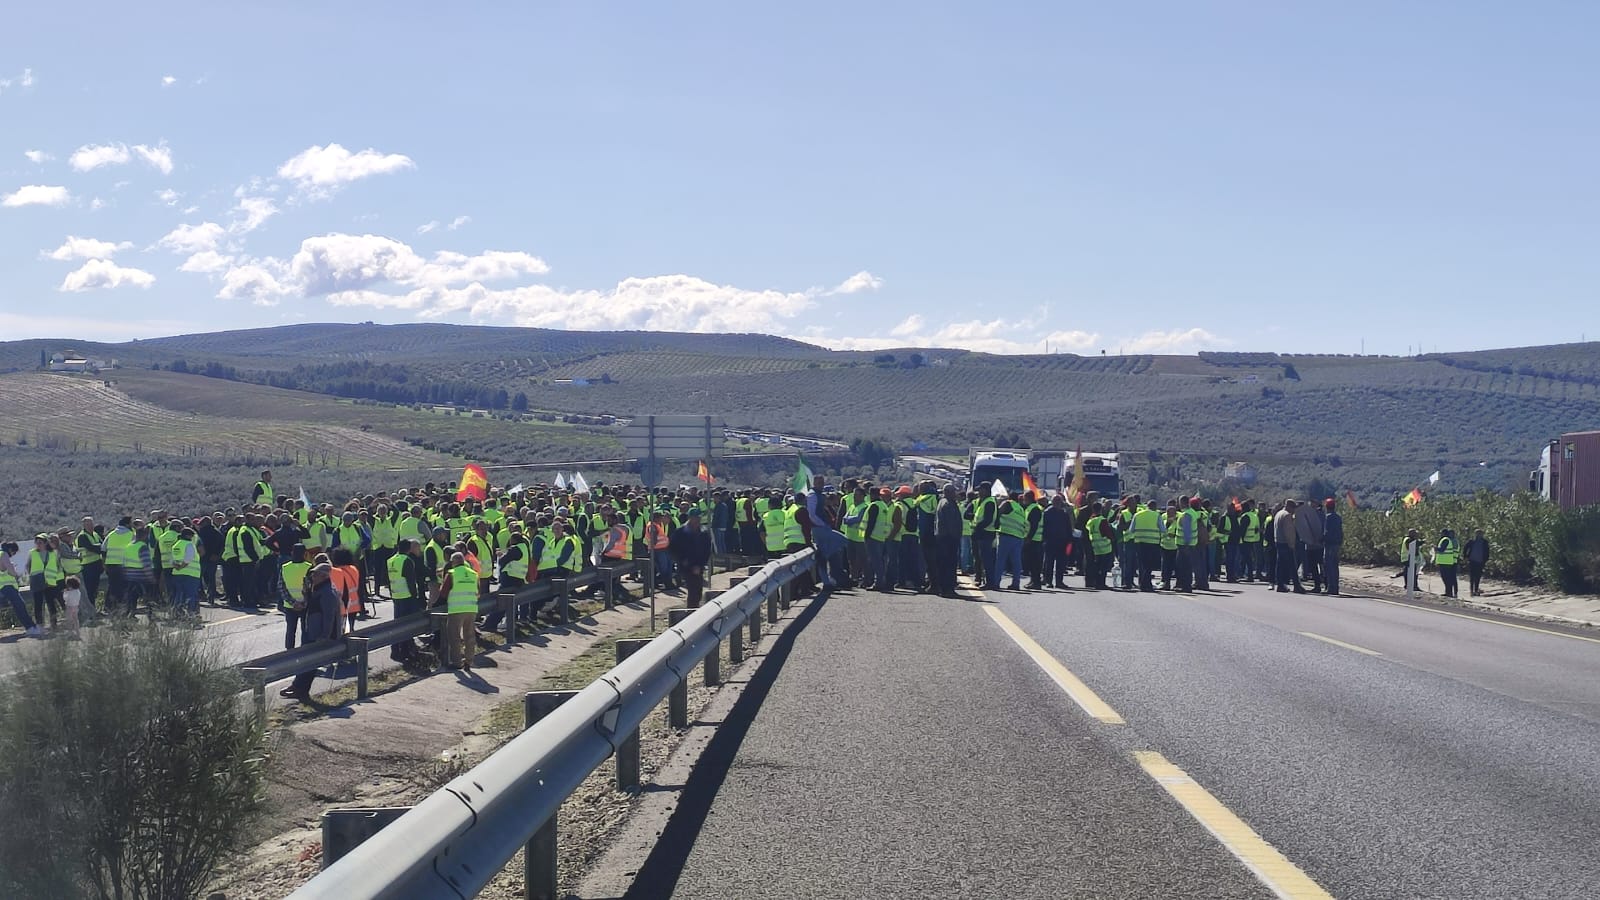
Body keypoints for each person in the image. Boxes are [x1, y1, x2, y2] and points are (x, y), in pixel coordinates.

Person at [282, 562, 340, 703]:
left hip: (318, 634)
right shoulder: (318, 588)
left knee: (310, 663)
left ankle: (300, 689)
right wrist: (304, 596)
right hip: (311, 631)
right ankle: (298, 688)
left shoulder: (328, 592)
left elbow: (329, 616)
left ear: (324, 576)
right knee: (307, 662)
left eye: (316, 574)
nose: (312, 576)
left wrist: (324, 636)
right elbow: (311, 607)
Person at [442, 551, 480, 671]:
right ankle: (469, 661)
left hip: (456, 610)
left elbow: (443, 592)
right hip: (472, 609)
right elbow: (478, 593)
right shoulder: (473, 574)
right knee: (469, 636)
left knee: (454, 637)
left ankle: (457, 662)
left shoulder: (452, 574)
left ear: (453, 562)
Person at [670, 509, 713, 608]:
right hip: (686, 566)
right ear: (690, 518)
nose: (698, 520)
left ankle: (694, 608)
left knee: (698, 589)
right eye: (696, 518)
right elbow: (672, 549)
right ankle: (691, 611)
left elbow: (707, 550)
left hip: (699, 565)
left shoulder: (703, 532)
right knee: (693, 588)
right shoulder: (680, 532)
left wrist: (700, 565)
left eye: (699, 518)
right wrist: (683, 561)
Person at [0, 544, 44, 636]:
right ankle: (30, 627)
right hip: (7, 587)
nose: (13, 554)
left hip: (2, 589)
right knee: (20, 607)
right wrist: (16, 573)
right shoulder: (3, 554)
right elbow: (11, 571)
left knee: (19, 607)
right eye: (14, 552)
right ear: (10, 549)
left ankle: (31, 626)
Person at [934, 484, 963, 598]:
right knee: (948, 564)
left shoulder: (942, 502)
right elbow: (951, 523)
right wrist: (955, 536)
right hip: (948, 538)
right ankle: (947, 588)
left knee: (943, 564)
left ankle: (944, 588)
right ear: (948, 492)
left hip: (943, 537)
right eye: (953, 491)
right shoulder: (948, 504)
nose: (955, 494)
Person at [1273, 499, 1305, 593]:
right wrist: (1292, 544)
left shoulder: (1278, 514)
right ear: (1290, 507)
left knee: (1279, 565)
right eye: (1293, 508)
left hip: (1278, 541)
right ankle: (1296, 585)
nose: (1294, 510)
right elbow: (1289, 532)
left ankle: (1280, 584)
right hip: (1286, 543)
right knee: (1292, 565)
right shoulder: (1287, 515)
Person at [1041, 494, 1073, 588]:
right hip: (1050, 541)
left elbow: (1068, 527)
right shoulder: (1047, 512)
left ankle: (1059, 582)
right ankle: (1048, 581)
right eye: (1056, 501)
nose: (1058, 503)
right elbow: (1044, 527)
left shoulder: (1064, 513)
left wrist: (1069, 539)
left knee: (1061, 563)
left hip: (1062, 542)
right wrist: (1044, 539)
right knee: (1049, 563)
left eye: (1059, 502)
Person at [1321, 498, 1343, 596]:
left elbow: (1326, 532)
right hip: (1337, 544)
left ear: (1327, 507)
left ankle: (1331, 587)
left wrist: (1321, 539)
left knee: (1329, 566)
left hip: (1329, 544)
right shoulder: (1338, 517)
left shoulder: (1328, 518)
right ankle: (1336, 587)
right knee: (1335, 566)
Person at [1434, 528, 1460, 598]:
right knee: (1448, 578)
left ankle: (1450, 593)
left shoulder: (1446, 540)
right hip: (1447, 561)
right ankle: (1449, 592)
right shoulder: (1449, 540)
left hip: (1447, 562)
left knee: (1448, 578)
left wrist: (1436, 548)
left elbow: (1442, 550)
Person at [1464, 530, 1490, 596]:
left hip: (1480, 561)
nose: (1479, 535)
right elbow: (1465, 548)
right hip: (1472, 561)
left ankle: (1476, 590)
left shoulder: (1484, 542)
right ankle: (1471, 590)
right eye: (1477, 534)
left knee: (1478, 576)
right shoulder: (1472, 541)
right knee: (1472, 576)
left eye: (1480, 534)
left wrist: (1485, 560)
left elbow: (1487, 551)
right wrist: (1466, 556)